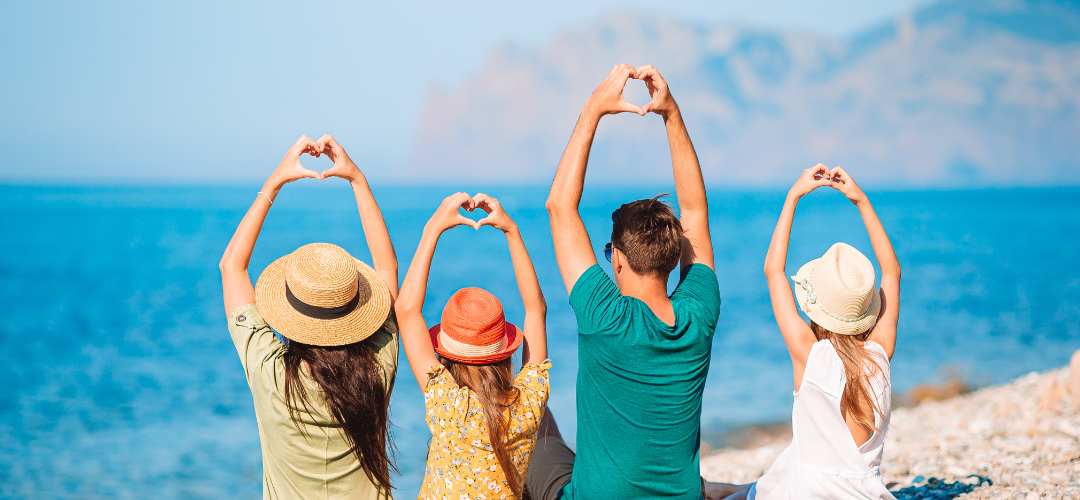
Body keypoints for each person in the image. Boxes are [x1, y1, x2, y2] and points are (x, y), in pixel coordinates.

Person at [535, 63, 720, 500]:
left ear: (617, 259)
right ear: (675, 261)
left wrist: (592, 110)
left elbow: (560, 206)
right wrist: (671, 114)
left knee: (533, 428)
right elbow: (694, 213)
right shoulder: (699, 313)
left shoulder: (606, 318)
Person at [219, 135, 400, 500]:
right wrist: (357, 180)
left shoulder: (270, 375)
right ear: (355, 312)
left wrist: (275, 183)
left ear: (291, 315)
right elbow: (386, 267)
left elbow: (231, 267)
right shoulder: (377, 368)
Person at [707, 165, 901, 500]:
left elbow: (773, 270)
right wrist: (862, 202)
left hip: (804, 493)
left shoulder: (810, 356)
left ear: (815, 311)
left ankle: (718, 491)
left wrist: (793, 196)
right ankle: (725, 490)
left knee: (792, 472)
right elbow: (892, 271)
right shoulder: (880, 354)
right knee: (793, 462)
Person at [395, 192, 551, 500]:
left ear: (446, 355)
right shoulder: (528, 406)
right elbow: (536, 310)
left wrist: (432, 229)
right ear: (505, 352)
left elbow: (406, 310)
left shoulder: (448, 406)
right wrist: (512, 232)